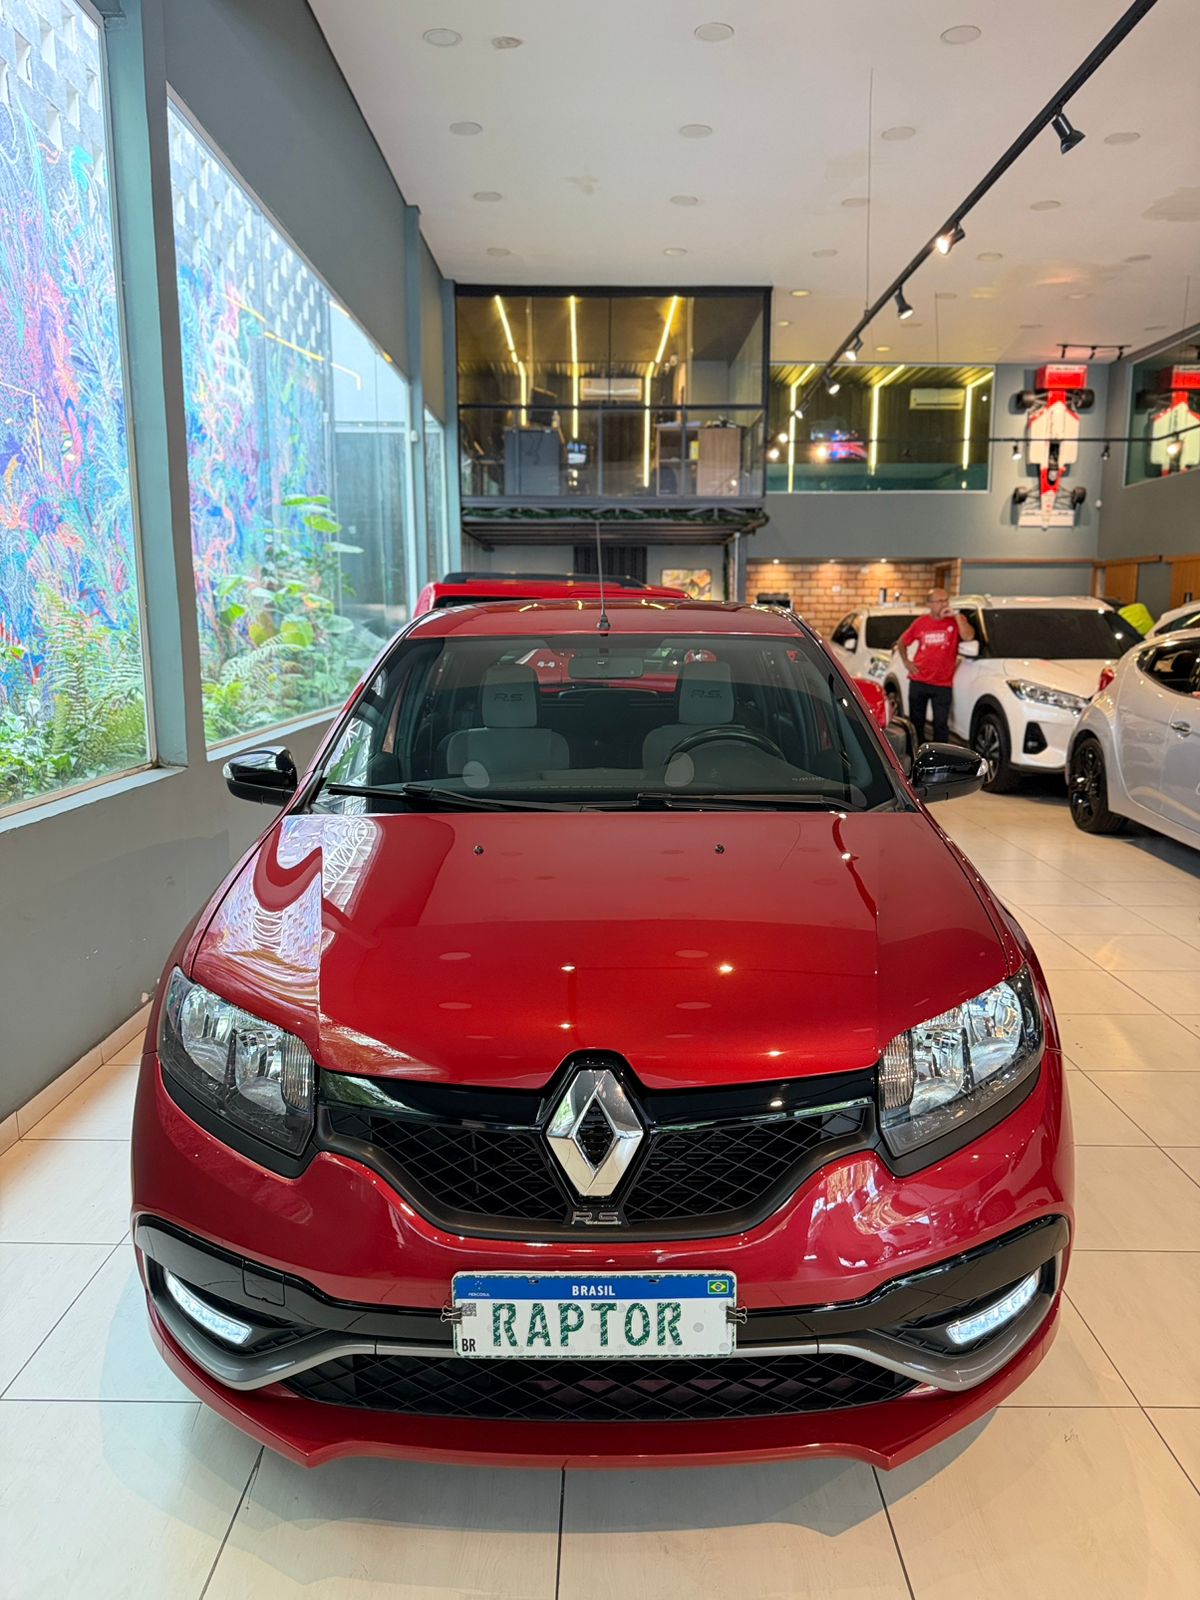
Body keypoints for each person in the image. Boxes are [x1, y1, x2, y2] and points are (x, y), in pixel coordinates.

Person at [898, 590, 975, 742]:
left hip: (942, 684)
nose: (944, 604)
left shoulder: (957, 620)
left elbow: (968, 636)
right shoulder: (920, 623)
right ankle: (917, 752)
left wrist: (957, 617)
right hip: (919, 680)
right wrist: (906, 662)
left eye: (946, 600)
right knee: (916, 723)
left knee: (941, 725)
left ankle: (939, 754)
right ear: (929, 604)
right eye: (940, 601)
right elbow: (902, 642)